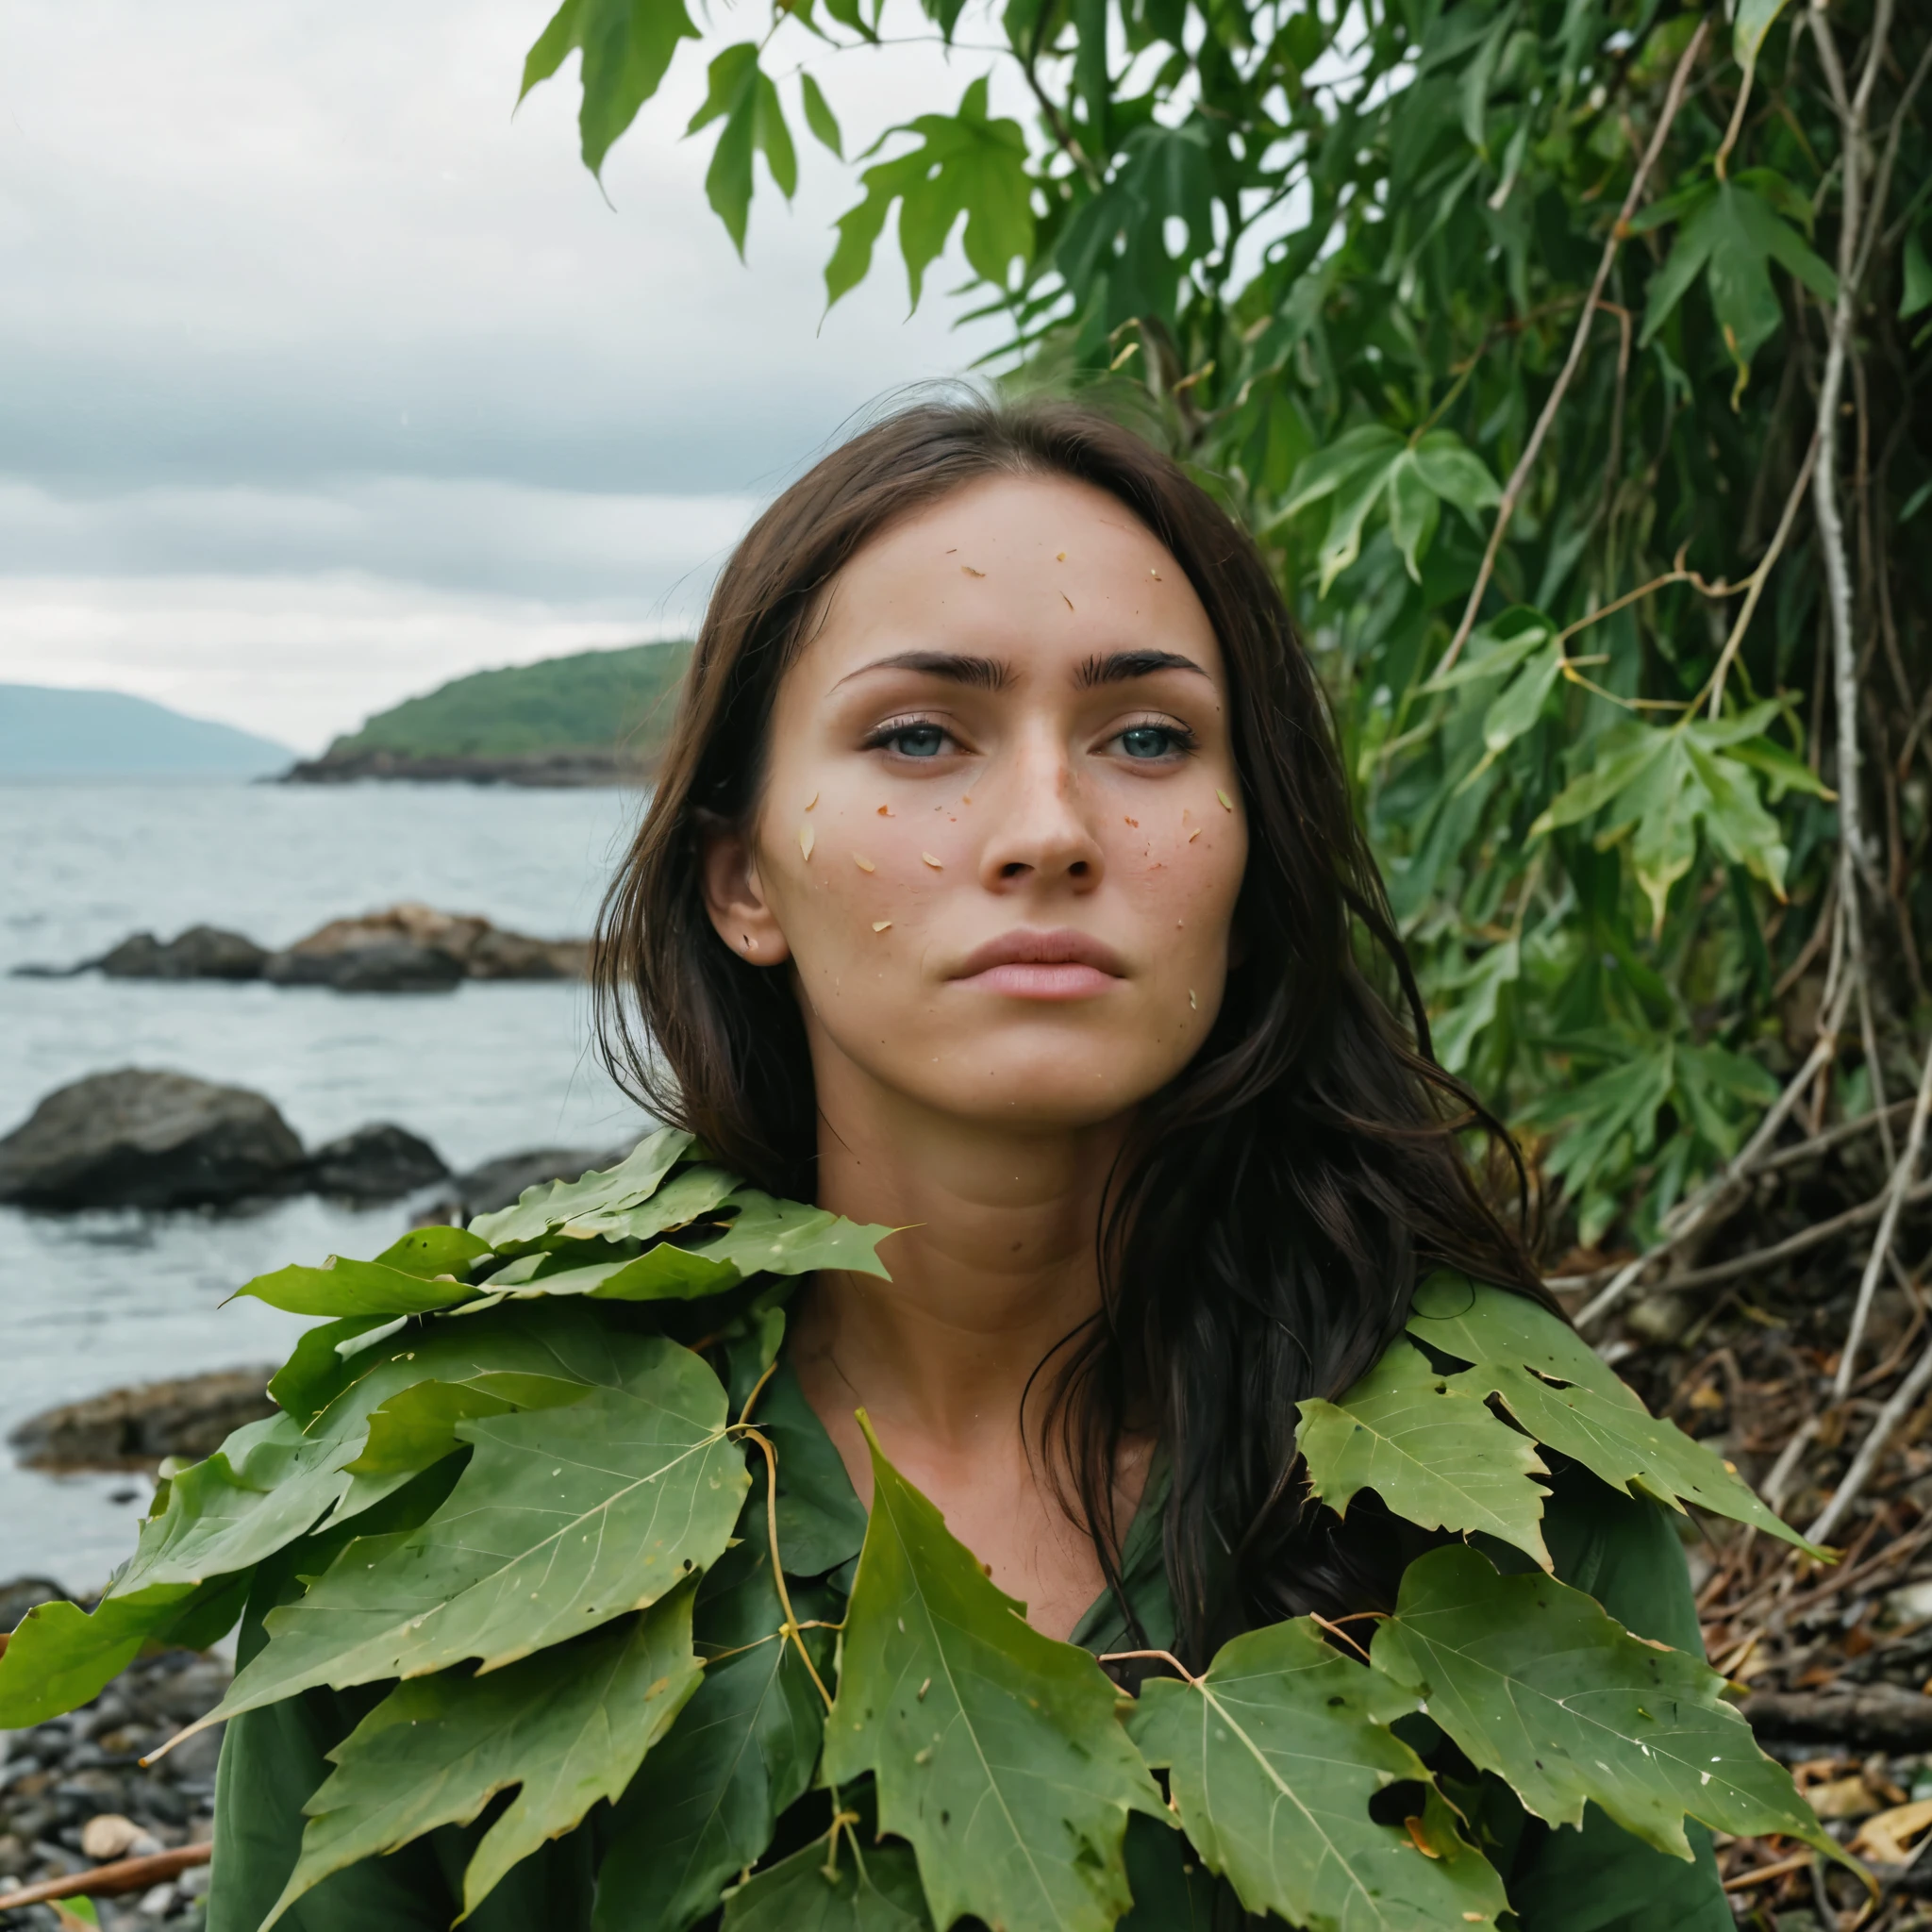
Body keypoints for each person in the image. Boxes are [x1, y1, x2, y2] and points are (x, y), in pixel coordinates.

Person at [211, 396, 1728, 1930]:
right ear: (742, 877)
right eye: (921, 735)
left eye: (1147, 737)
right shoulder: (448, 1468)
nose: (1050, 830)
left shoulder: (1491, 1465)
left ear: (1249, 840)